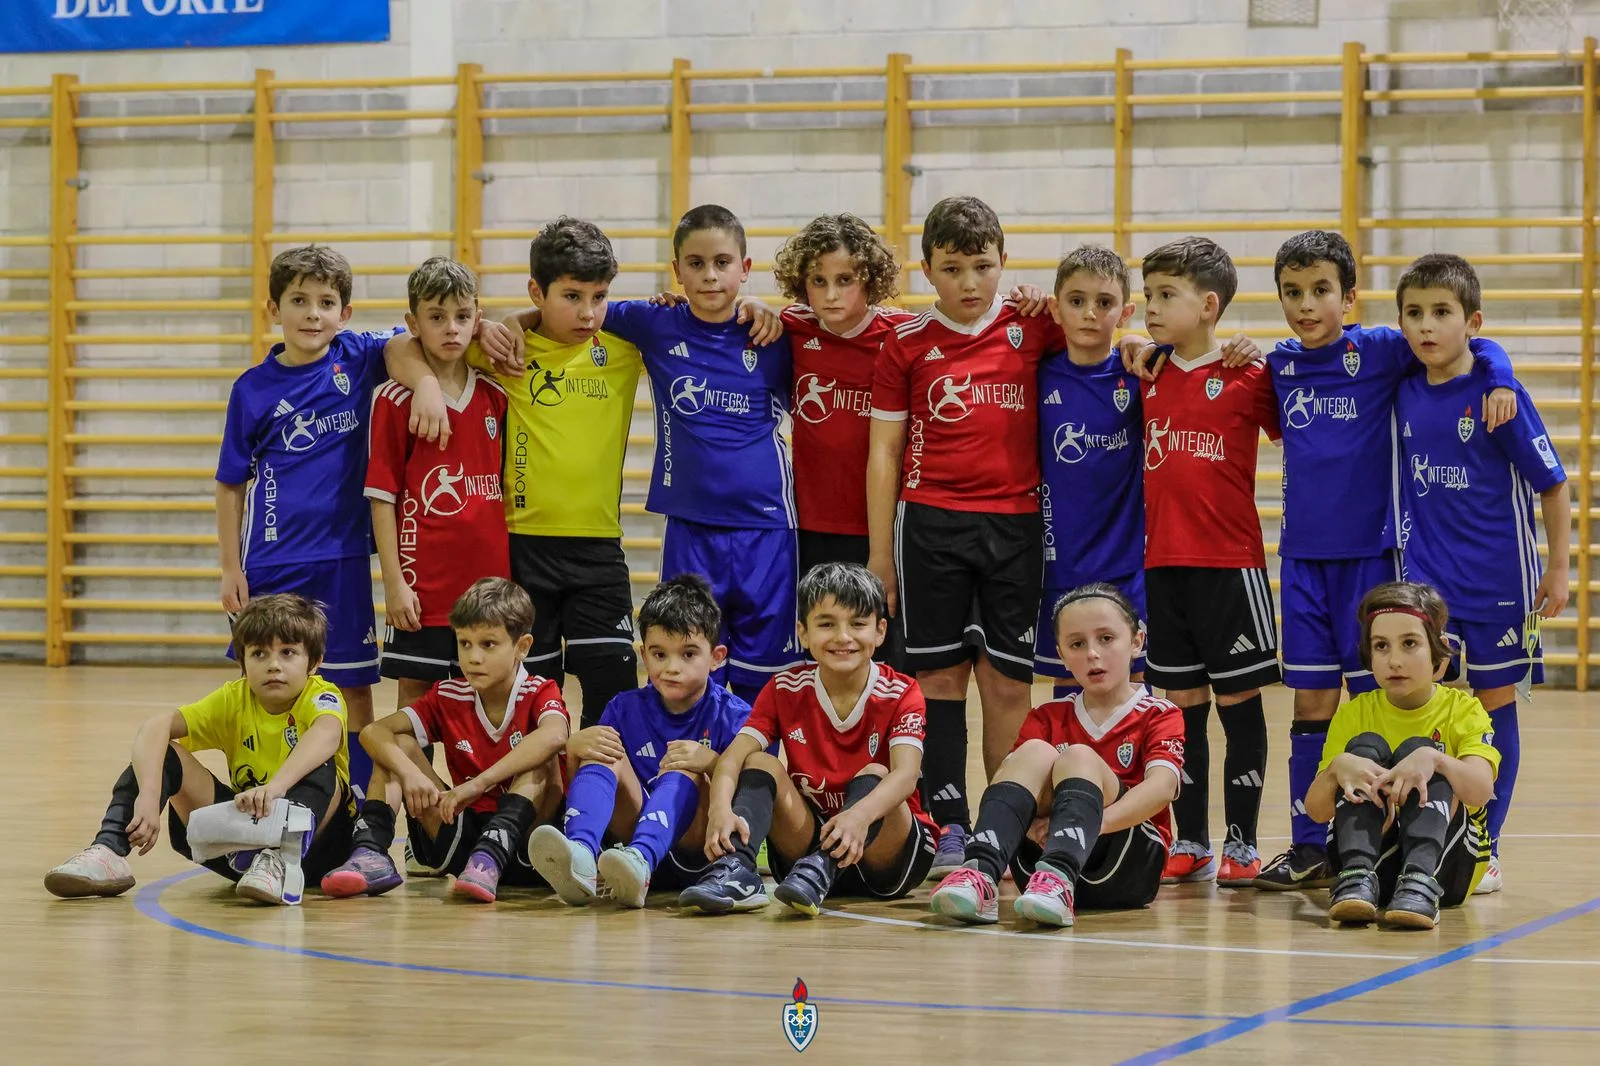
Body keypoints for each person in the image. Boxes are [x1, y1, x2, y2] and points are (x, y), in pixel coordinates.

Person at [1254, 230, 1517, 890]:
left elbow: (1471, 340)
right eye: (1292, 292)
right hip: (1303, 562)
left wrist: (1502, 376)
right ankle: (1310, 845)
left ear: (1349, 298)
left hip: (1373, 560)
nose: (1306, 305)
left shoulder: (1379, 349)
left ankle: (1386, 840)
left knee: (1378, 703)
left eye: (1320, 291)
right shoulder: (1278, 365)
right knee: (1311, 702)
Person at [218, 245, 517, 792]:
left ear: (345, 313)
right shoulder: (251, 389)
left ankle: (357, 804)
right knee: (262, 682)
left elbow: (411, 340)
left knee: (355, 688)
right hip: (271, 559)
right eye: (299, 301)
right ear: (273, 308)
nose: (313, 314)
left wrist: (432, 378)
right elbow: (230, 483)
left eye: (326, 302)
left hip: (345, 557)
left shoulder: (357, 355)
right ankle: (257, 791)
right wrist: (229, 566)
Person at [503, 207, 790, 709]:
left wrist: (764, 306)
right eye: (696, 264)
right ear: (677, 271)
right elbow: (567, 308)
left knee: (755, 682)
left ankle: (747, 762)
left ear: (745, 268)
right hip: (667, 530)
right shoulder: (649, 325)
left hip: (761, 528)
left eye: (722, 262)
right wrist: (513, 321)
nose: (710, 275)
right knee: (680, 668)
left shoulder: (773, 335)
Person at [866, 195, 1065, 879]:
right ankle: (948, 824)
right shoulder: (906, 343)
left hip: (1015, 526)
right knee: (938, 677)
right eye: (952, 269)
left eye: (983, 266)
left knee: (1008, 685)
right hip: (930, 524)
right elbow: (884, 453)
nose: (970, 283)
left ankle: (1003, 828)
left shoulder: (1035, 326)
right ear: (927, 270)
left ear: (1004, 261)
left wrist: (1132, 343)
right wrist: (879, 556)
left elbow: (1104, 340)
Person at [1394, 253, 1570, 896]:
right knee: (1431, 709)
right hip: (1427, 588)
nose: (1426, 325)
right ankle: (1426, 838)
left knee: (1496, 714)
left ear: (1472, 322)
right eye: (1414, 313)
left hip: (1501, 586)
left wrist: (1559, 569)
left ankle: (1485, 846)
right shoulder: (1402, 386)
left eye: (1442, 312)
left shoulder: (1501, 399)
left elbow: (1554, 485)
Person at [45, 594, 354, 905]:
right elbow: (157, 725)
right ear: (242, 662)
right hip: (245, 848)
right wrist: (149, 795)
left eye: (288, 653)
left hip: (321, 848)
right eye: (259, 653)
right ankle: (109, 851)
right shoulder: (234, 699)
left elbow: (326, 733)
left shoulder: (321, 696)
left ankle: (280, 860)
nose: (274, 665)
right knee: (164, 754)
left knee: (321, 764)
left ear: (314, 662)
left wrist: (275, 788)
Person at [1136, 236, 1280, 887]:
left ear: (1209, 305)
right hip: (1163, 567)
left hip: (1231, 565)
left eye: (1166, 295)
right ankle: (1191, 838)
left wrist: (1260, 352)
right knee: (1182, 704)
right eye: (1147, 295)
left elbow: (1299, 431)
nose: (1151, 307)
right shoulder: (1148, 371)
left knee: (1239, 702)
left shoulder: (1251, 375)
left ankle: (1242, 842)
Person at [678, 563, 938, 915]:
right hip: (805, 859)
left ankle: (824, 865)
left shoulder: (902, 691)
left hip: (886, 855)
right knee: (760, 761)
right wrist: (720, 810)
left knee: (877, 773)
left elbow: (906, 776)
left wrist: (857, 817)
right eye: (827, 624)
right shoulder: (784, 688)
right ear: (802, 632)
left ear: (879, 632)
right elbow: (732, 758)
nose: (843, 637)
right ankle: (736, 868)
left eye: (857, 624)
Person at [473, 218, 646, 728]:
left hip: (598, 550)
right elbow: (404, 346)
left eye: (599, 296)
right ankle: (539, 781)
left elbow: (696, 320)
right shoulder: (503, 349)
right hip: (523, 548)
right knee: (530, 698)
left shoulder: (623, 350)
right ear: (537, 291)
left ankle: (596, 782)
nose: (588, 312)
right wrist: (493, 326)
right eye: (572, 296)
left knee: (614, 693)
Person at [929, 583, 1184, 927]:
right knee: (1033, 753)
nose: (1092, 653)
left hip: (1126, 866)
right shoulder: (1047, 716)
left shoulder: (1158, 713)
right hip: (1036, 866)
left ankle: (1060, 877)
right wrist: (1033, 827)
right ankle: (981, 872)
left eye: (1106, 639)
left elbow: (1162, 788)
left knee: (1078, 756)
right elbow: (1013, 786)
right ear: (1061, 654)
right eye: (1077, 644)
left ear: (1137, 641)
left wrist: (1090, 825)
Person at [320, 577, 569, 903]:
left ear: (522, 647)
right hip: (462, 833)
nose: (473, 657)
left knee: (541, 758)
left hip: (527, 843)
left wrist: (478, 784)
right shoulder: (449, 694)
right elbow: (373, 732)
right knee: (397, 747)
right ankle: (371, 852)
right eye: (464, 643)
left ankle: (491, 855)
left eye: (488, 644)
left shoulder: (540, 690)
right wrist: (410, 773)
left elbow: (555, 735)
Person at [525, 575, 751, 908]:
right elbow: (588, 784)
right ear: (644, 655)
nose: (672, 668)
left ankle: (642, 861)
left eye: (688, 654)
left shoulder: (734, 715)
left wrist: (713, 763)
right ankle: (581, 855)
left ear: (716, 657)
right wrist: (573, 750)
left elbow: (753, 798)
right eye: (660, 654)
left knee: (682, 767)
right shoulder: (623, 707)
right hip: (625, 848)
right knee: (602, 750)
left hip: (698, 853)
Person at [1306, 581, 1499, 928]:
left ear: (1439, 650)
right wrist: (1337, 769)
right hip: (1377, 860)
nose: (1394, 661)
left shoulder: (1463, 709)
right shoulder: (1354, 713)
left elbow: (1481, 791)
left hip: (1447, 870)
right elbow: (1317, 811)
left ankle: (1420, 881)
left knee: (1422, 752)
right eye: (1381, 646)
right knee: (1362, 750)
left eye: (1409, 643)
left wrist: (1435, 759)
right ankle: (1356, 876)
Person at [366, 257, 509, 710]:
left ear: (477, 320)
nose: (451, 328)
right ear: (413, 324)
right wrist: (394, 584)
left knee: (487, 698)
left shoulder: (496, 396)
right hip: (421, 586)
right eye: (436, 317)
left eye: (462, 316)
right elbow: (382, 498)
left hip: (488, 584)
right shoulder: (394, 400)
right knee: (415, 698)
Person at [774, 214, 914, 580]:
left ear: (870, 278)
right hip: (807, 522)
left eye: (845, 280)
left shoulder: (902, 335)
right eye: (819, 281)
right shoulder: (792, 328)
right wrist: (753, 304)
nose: (831, 295)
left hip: (881, 526)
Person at [1033, 246, 1146, 691]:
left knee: (1133, 678)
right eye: (1076, 301)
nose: (1090, 313)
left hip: (1126, 564)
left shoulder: (1140, 374)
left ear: (1125, 312)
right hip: (1059, 564)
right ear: (1055, 308)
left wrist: (1142, 342)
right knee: (1070, 680)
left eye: (1104, 302)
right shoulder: (1036, 375)